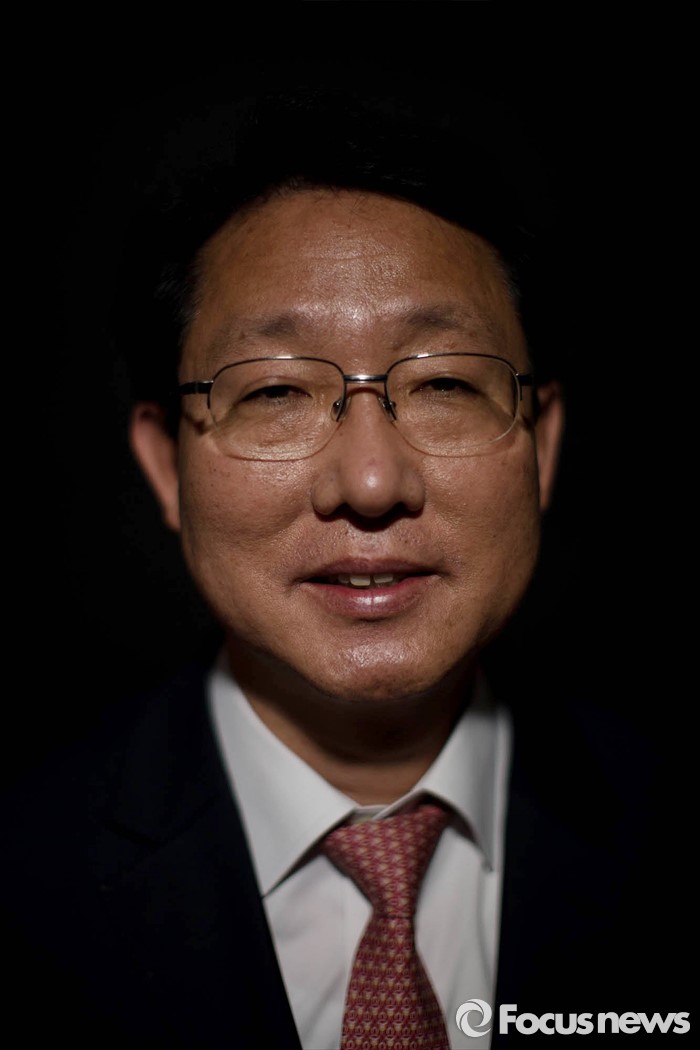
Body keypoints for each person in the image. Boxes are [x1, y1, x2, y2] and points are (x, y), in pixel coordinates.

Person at [3, 77, 683, 1048]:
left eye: (445, 383)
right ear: (164, 464)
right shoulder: (26, 876)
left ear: (541, 443)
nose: (370, 481)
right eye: (275, 392)